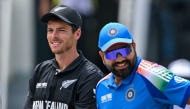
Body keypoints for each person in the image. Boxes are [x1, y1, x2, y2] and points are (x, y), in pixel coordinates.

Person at [23, 4, 104, 109]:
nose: (54, 36)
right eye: (50, 30)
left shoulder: (90, 76)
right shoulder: (40, 70)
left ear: (77, 34)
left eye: (61, 30)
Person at [96, 22, 190, 109]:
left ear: (134, 47)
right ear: (102, 56)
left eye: (125, 50)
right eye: (112, 54)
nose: (120, 59)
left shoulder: (153, 76)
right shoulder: (101, 87)